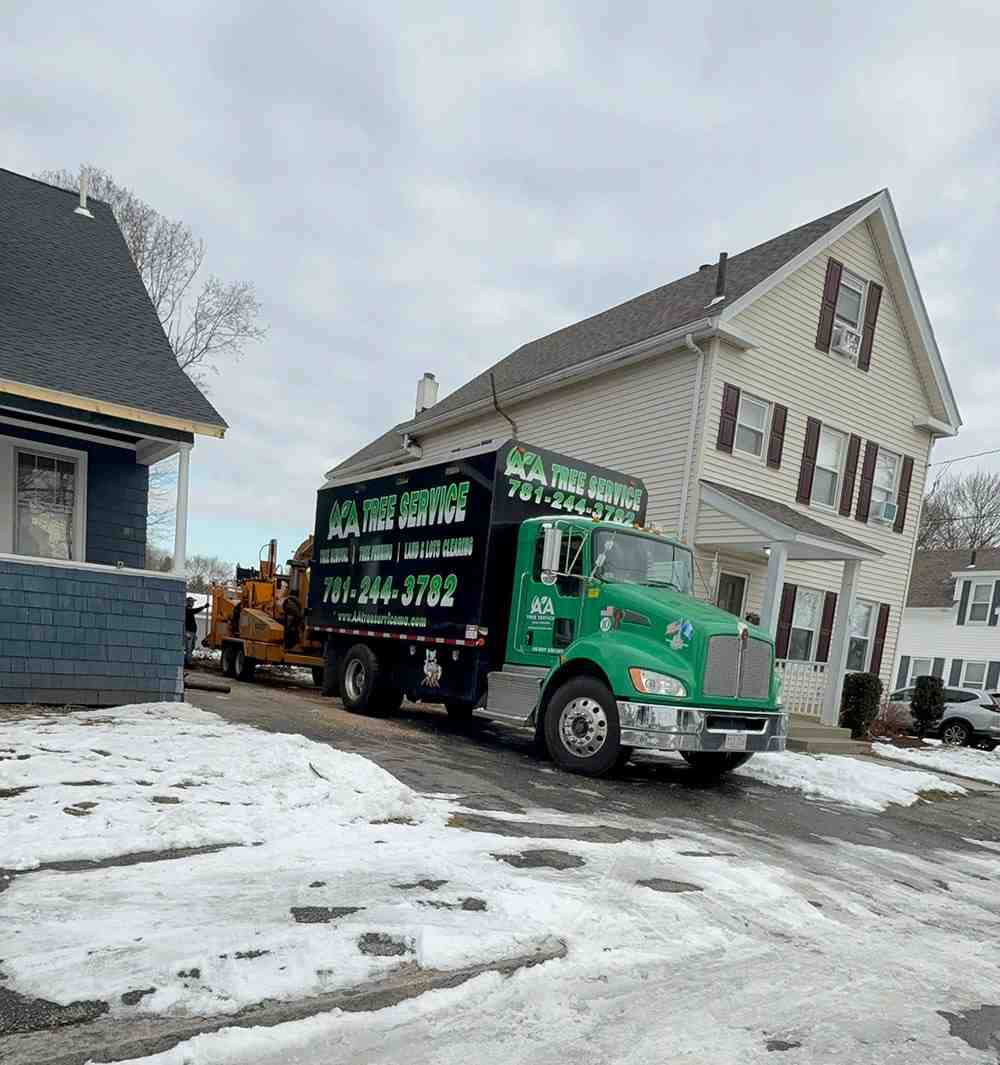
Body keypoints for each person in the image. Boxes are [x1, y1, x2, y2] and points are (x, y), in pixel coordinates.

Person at [185, 596, 207, 666]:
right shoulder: (187, 610)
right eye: (192, 602)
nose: (193, 603)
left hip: (192, 632)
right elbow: (195, 611)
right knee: (189, 648)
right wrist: (203, 607)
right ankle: (188, 662)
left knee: (191, 647)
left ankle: (186, 660)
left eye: (193, 602)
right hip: (189, 632)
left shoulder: (189, 610)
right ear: (188, 602)